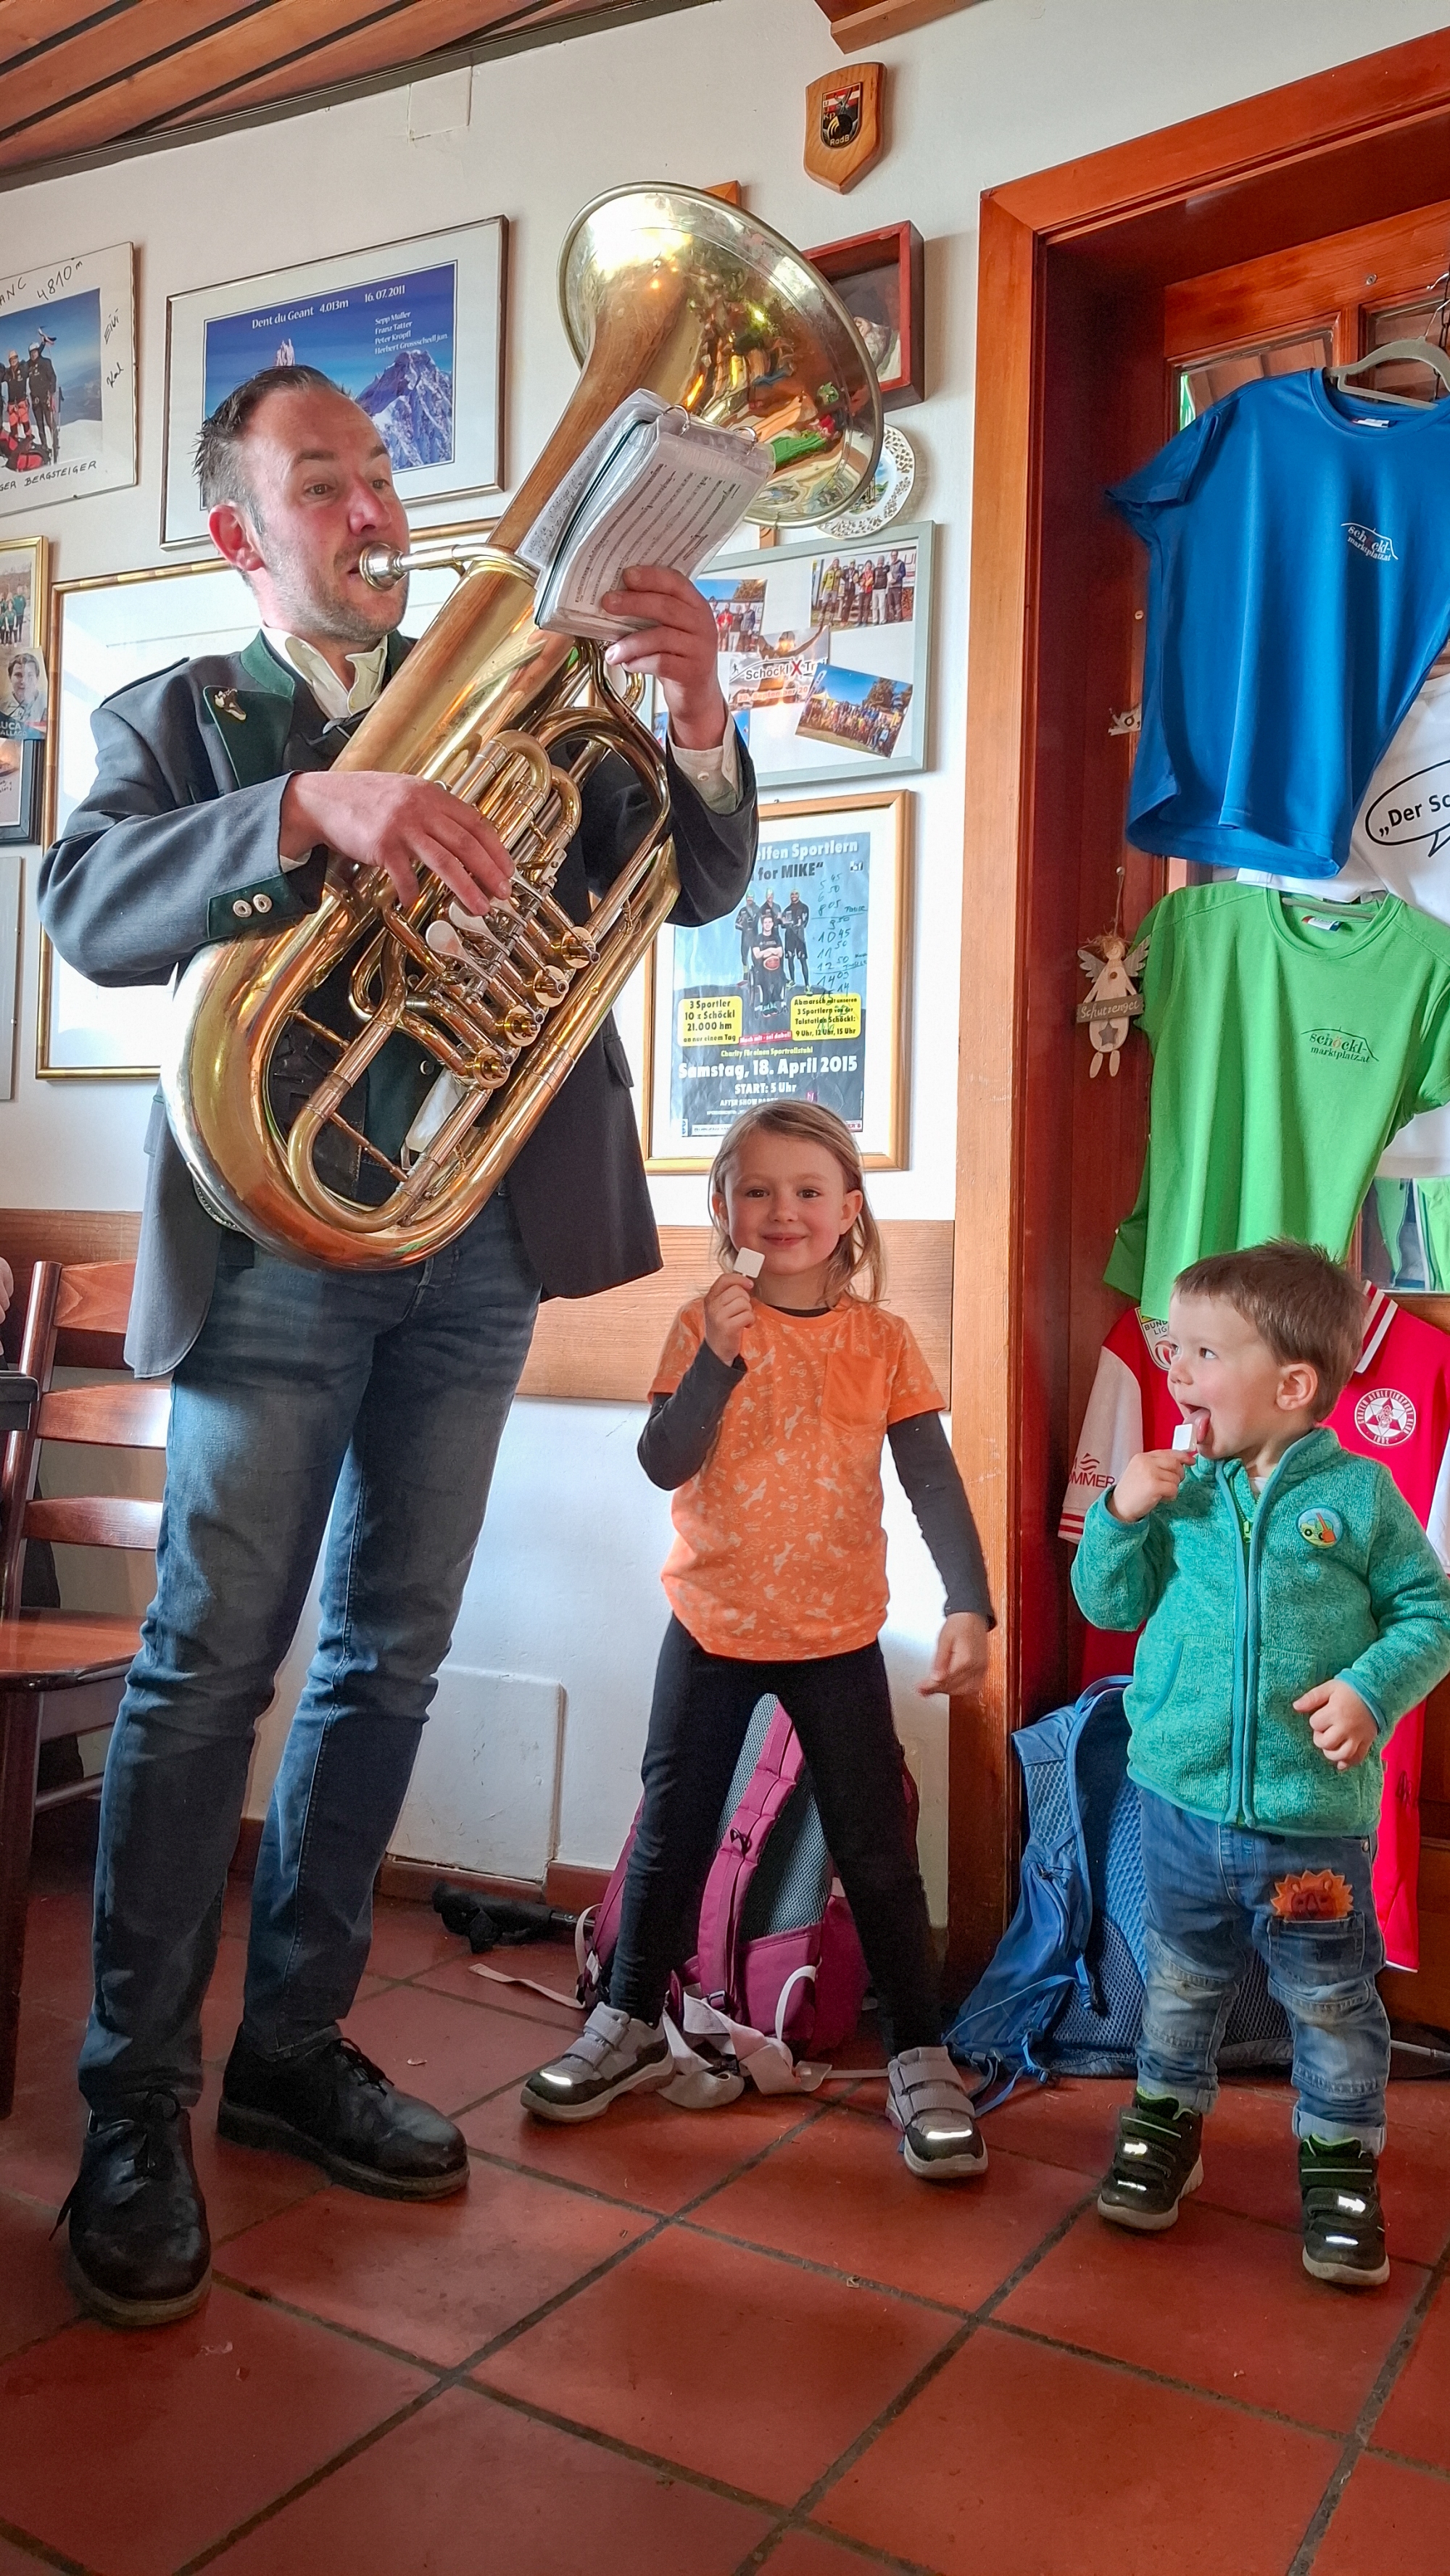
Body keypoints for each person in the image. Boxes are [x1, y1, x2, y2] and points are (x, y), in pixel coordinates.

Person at [38, 361, 758, 2329]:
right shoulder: (183, 716)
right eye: (321, 483)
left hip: (477, 1241)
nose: (371, 509)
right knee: (208, 1668)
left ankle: (291, 2045)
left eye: (378, 474)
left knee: (387, 1657)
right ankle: (132, 2103)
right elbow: (86, 903)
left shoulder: (537, 695)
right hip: (275, 1244)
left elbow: (696, 881)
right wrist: (307, 805)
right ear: (238, 532)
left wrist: (698, 712)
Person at [520, 1100, 995, 2180]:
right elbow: (662, 1459)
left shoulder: (883, 1341)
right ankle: (629, 2020)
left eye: (808, 1190)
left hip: (835, 1635)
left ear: (849, 1209)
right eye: (758, 1190)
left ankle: (918, 2053)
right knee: (671, 1831)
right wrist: (719, 1359)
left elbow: (931, 1481)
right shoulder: (702, 1323)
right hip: (713, 1625)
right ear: (724, 1206)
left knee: (874, 1848)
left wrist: (966, 1601)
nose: (784, 1210)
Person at [1072, 1239, 1450, 2288]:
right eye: (1173, 1348)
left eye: (1203, 1352)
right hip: (1180, 1808)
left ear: (1291, 1384)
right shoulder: (1177, 1490)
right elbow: (1107, 1601)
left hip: (1308, 1829)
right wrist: (1119, 1514)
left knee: (1328, 1996)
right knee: (1180, 1980)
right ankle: (1163, 2121)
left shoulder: (1360, 1497)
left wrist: (1370, 1689)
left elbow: (1430, 1615)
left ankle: (1338, 2160)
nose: (1175, 1369)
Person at [1, 649, 46, 736]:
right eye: (18, 675)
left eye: (30, 675)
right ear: (10, 677)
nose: (24, 681)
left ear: (37, 677)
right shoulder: (2, 706)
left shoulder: (48, 704)